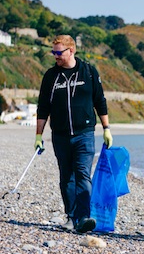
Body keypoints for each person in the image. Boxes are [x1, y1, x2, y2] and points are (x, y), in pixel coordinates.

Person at [35, 34, 113, 234]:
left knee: (83, 176)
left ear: (71, 51)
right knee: (66, 178)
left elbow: (100, 101)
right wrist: (38, 136)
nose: (56, 56)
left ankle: (84, 217)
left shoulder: (88, 72)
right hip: (60, 135)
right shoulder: (51, 76)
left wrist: (106, 129)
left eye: (59, 52)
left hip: (84, 134)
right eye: (54, 52)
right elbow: (43, 108)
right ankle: (71, 216)